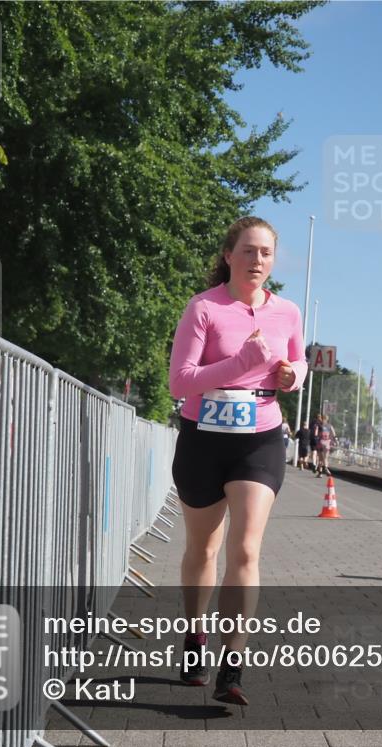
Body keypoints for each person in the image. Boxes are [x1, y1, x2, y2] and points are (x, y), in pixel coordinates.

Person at [168, 216, 307, 704]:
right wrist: (240, 364)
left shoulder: (287, 311)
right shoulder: (203, 307)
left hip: (260, 438)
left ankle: (233, 665)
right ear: (229, 255)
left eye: (266, 253)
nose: (258, 261)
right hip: (203, 439)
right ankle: (194, 637)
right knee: (202, 551)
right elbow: (181, 381)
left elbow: (298, 361)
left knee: (245, 550)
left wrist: (293, 376)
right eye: (248, 251)